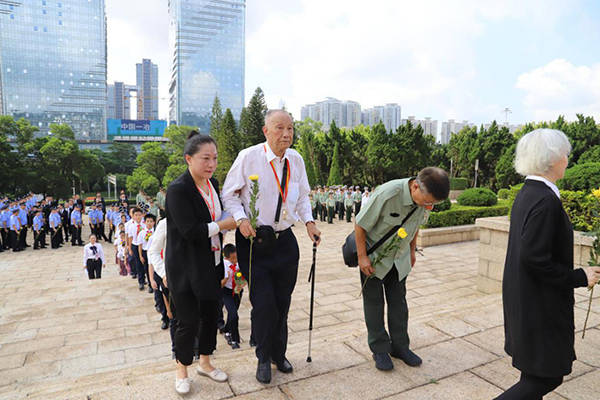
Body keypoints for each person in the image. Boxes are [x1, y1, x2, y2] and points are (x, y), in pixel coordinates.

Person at [495, 129, 600, 400]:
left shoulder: (529, 192)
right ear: (553, 159)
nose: (568, 158)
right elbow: (534, 258)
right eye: (565, 153)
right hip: (538, 303)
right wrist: (580, 276)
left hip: (526, 297)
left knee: (534, 371)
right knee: (547, 376)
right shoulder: (544, 200)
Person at [222, 109, 321, 384]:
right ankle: (263, 357)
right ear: (265, 131)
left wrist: (310, 222)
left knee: (282, 303)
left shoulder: (296, 159)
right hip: (255, 241)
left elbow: (302, 197)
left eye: (290, 128)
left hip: (285, 240)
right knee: (264, 304)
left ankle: (280, 354)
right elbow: (229, 195)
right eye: (279, 128)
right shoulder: (248, 157)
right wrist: (241, 220)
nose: (286, 134)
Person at [355, 167, 449, 371]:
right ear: (415, 186)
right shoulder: (388, 194)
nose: (430, 207)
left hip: (400, 259)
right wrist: (362, 257)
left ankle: (400, 346)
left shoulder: (424, 200)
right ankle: (380, 349)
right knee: (374, 304)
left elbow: (414, 227)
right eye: (427, 202)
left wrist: (412, 251)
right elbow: (360, 224)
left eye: (433, 204)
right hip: (375, 259)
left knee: (399, 304)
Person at [166, 132, 235, 394]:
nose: (211, 164)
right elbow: (189, 231)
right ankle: (181, 368)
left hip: (211, 262)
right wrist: (221, 225)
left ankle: (205, 362)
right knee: (188, 321)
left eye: (215, 158)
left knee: (210, 316)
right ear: (188, 159)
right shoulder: (178, 189)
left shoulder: (212, 183)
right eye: (205, 158)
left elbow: (215, 217)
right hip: (185, 268)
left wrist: (225, 222)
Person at [148, 217, 177, 353]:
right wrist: (154, 278)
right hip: (164, 277)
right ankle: (175, 348)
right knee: (171, 314)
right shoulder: (157, 241)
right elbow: (151, 261)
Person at [220, 244, 244, 349]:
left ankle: (226, 329)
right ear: (227, 257)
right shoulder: (223, 266)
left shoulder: (239, 264)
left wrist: (241, 284)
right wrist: (227, 278)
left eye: (236, 257)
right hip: (226, 292)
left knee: (232, 313)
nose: (235, 260)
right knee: (234, 314)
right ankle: (234, 339)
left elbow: (243, 277)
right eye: (233, 258)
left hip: (237, 291)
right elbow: (219, 284)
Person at [127, 207, 146, 289]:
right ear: (133, 216)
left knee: (145, 263)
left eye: (139, 215)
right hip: (135, 245)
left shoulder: (145, 225)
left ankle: (147, 279)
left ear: (142, 215)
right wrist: (130, 249)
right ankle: (141, 281)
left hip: (144, 246)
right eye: (136, 215)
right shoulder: (131, 226)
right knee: (138, 263)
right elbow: (130, 238)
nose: (138, 217)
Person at [138, 214, 156, 294]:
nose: (149, 223)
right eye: (147, 221)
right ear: (144, 222)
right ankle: (150, 285)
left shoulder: (156, 232)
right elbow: (140, 245)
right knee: (147, 269)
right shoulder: (142, 233)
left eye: (151, 221)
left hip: (154, 252)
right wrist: (141, 255)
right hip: (145, 252)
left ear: (154, 222)